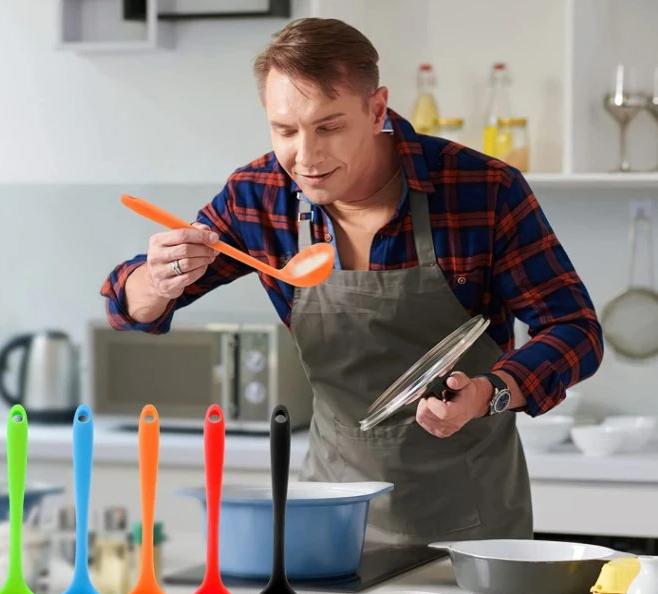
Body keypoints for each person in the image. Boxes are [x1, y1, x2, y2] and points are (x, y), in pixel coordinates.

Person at [101, 18, 603, 546]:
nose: (306, 157)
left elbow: (574, 329)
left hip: (473, 520)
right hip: (330, 516)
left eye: (329, 127)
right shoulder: (260, 195)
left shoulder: (480, 188)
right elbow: (126, 303)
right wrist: (159, 281)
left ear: (377, 109)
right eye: (285, 131)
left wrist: (488, 393)